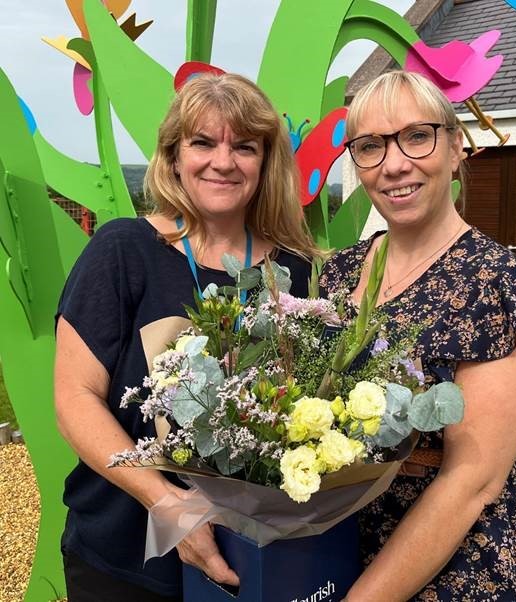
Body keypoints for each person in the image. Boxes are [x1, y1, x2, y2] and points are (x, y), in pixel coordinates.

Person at [54, 72, 318, 601]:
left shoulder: (295, 271)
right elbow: (74, 399)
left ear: (264, 163)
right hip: (123, 560)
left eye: (244, 146)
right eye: (203, 142)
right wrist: (170, 507)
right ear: (174, 156)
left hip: (250, 563)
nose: (223, 161)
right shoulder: (125, 251)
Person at [320, 70, 516, 601]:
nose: (394, 164)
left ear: (456, 145)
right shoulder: (339, 273)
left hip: (457, 563)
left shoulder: (504, 289)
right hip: (338, 541)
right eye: (370, 146)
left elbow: (471, 484)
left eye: (417, 136)